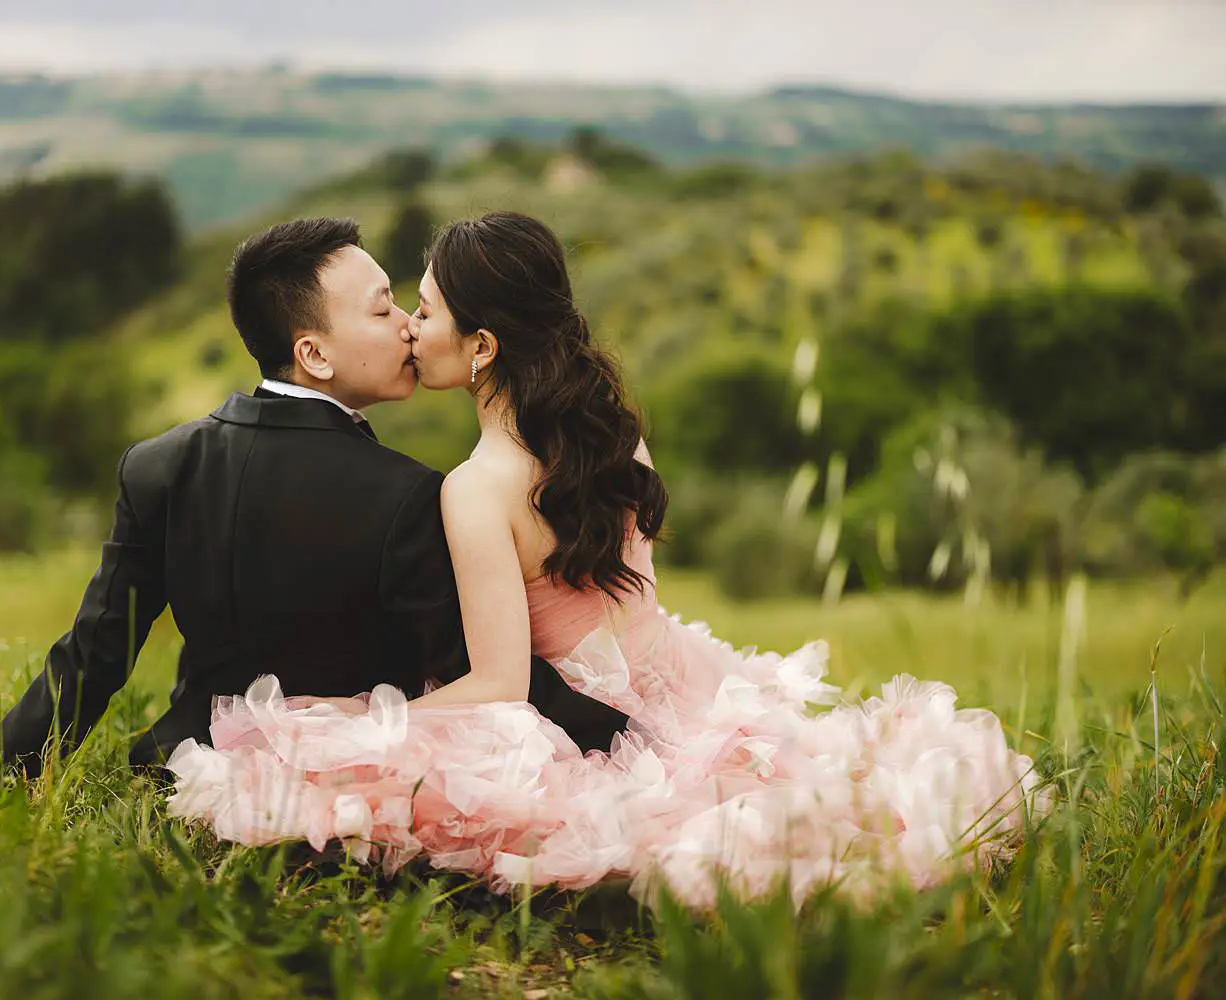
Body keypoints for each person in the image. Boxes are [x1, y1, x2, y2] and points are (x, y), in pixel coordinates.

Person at [165, 211, 1050, 907]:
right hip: (685, 690)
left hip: (597, 734)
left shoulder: (477, 490)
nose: (408, 329)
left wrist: (365, 721)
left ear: (482, 347)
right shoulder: (615, 438)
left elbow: (503, 687)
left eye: (425, 310)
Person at [0, 217, 627, 781]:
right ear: (313, 353)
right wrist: (624, 738)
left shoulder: (157, 466)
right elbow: (480, 672)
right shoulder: (407, 495)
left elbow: (95, 655)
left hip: (188, 763)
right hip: (335, 777)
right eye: (382, 310)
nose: (408, 328)